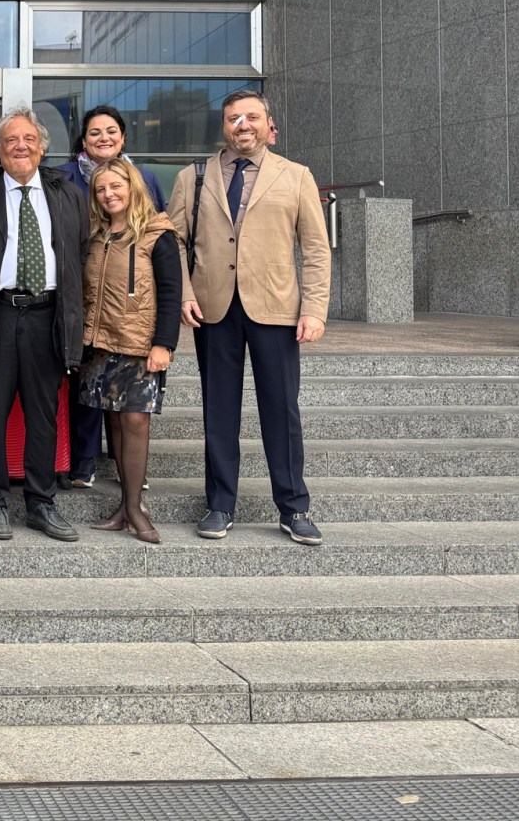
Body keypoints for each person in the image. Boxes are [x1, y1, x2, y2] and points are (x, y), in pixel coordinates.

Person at [168, 89, 331, 546]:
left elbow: (316, 249)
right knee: (219, 410)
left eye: (251, 117)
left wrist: (314, 309)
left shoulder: (295, 175)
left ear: (267, 123)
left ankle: (294, 507)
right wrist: (183, 294)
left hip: (275, 308)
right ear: (223, 126)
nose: (243, 125)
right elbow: (173, 241)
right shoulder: (193, 177)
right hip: (213, 307)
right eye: (234, 118)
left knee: (281, 409)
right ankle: (220, 504)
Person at [0, 107, 87, 543]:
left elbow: (79, 252)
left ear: (42, 147)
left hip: (48, 315)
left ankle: (41, 502)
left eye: (28, 139)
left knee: (43, 415)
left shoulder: (67, 194)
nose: (20, 146)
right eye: (10, 140)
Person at [56, 104, 168, 488]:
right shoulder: (64, 177)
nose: (103, 138)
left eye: (111, 131)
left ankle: (128, 470)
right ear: (83, 140)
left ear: (123, 137)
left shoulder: (145, 178)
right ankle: (84, 459)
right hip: (86, 295)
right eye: (94, 132)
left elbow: (158, 236)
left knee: (126, 399)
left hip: (132, 307)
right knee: (87, 386)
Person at [79, 158, 181, 545]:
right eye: (101, 189)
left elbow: (171, 292)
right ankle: (124, 507)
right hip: (102, 343)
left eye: (115, 186)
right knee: (117, 425)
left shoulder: (157, 233)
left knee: (136, 422)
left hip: (141, 345)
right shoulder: (96, 234)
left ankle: (136, 509)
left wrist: (163, 344)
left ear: (132, 186)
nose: (109, 194)